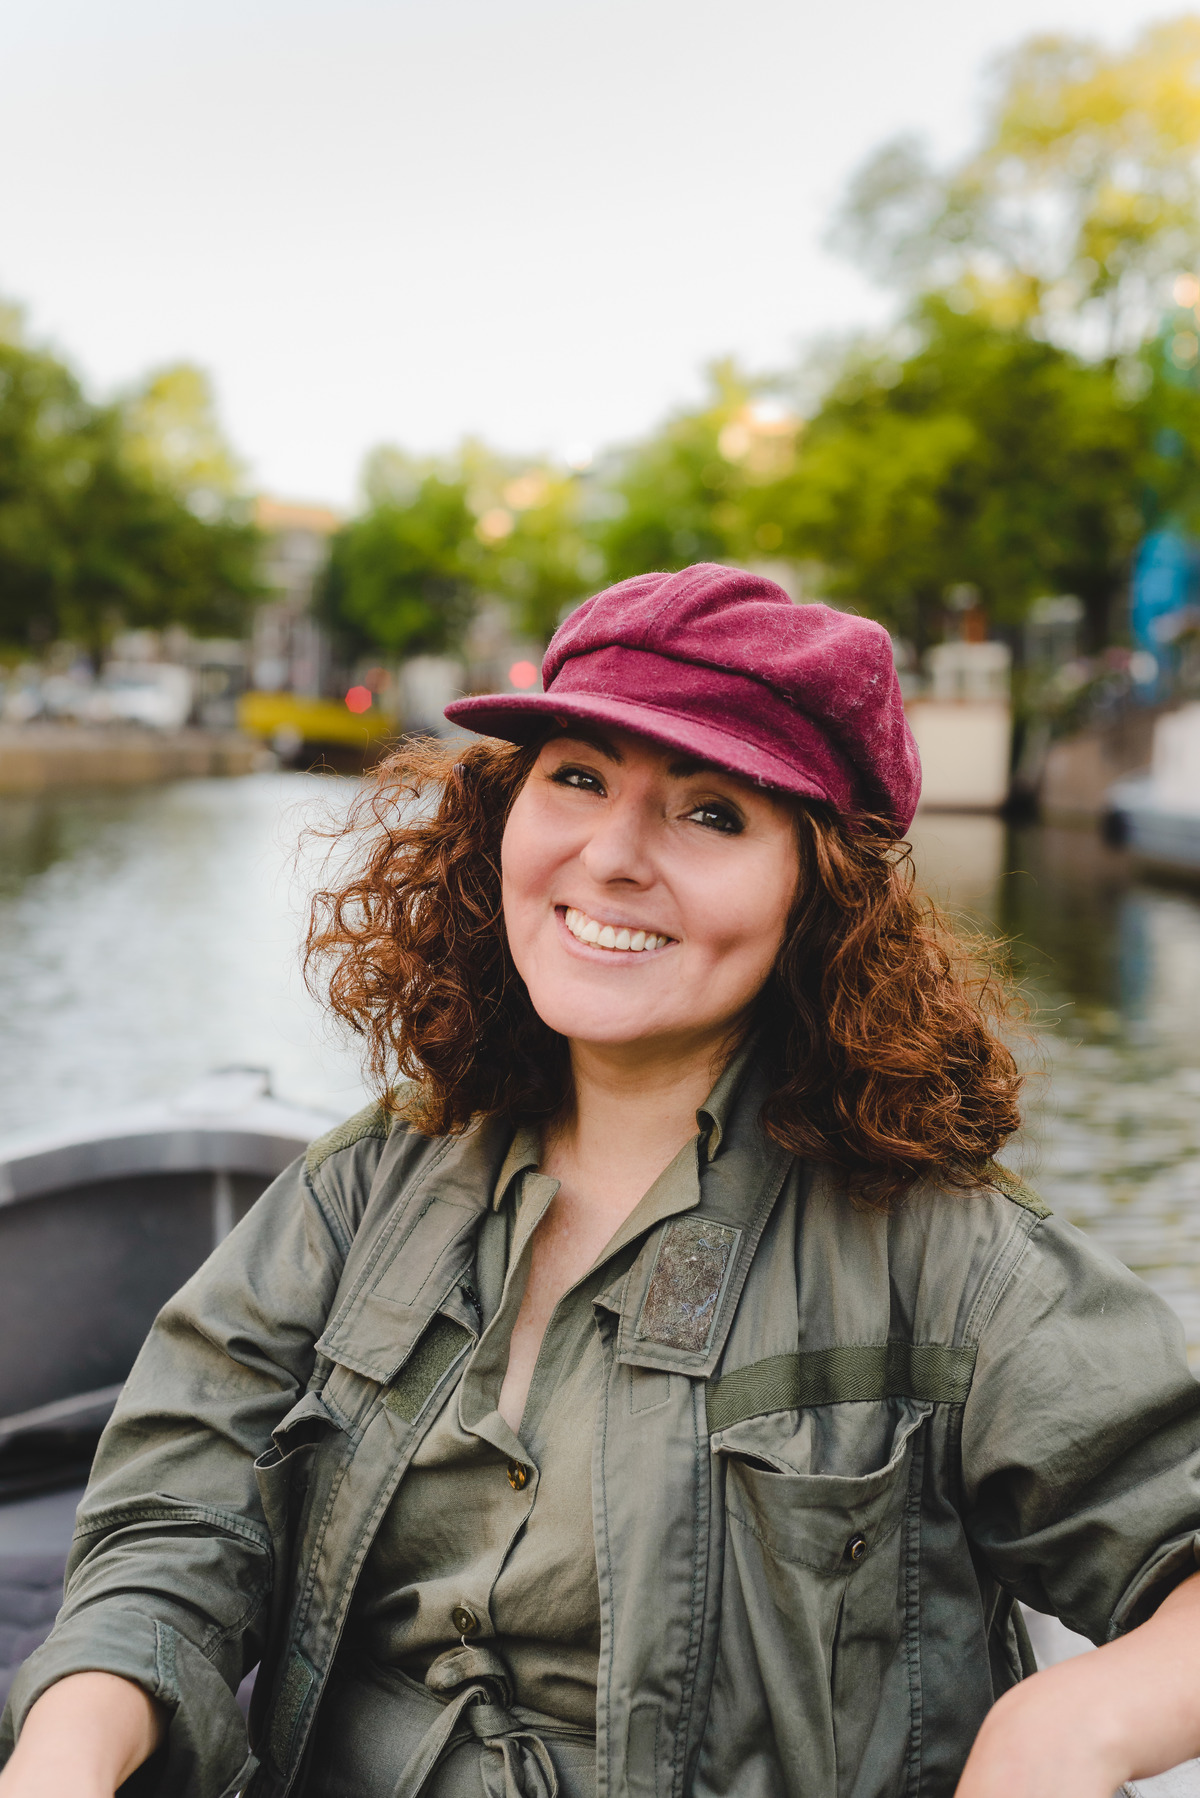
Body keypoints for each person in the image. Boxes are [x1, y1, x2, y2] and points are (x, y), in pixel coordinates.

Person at [2, 562, 1200, 1798]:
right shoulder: (362, 1189)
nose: (613, 856)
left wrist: (1067, 1728)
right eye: (577, 777)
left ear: (820, 896)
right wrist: (67, 1750)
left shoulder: (947, 1257)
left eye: (712, 812)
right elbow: (174, 1526)